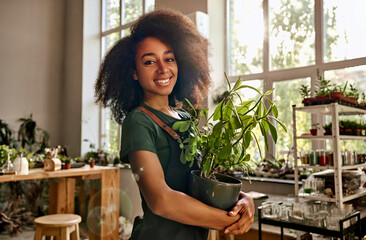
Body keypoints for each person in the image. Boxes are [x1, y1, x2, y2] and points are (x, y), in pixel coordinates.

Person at [95, 8, 254, 240]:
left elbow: (202, 183)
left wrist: (243, 199)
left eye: (169, 58)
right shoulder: (139, 121)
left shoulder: (186, 120)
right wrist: (231, 219)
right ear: (134, 73)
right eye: (149, 61)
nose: (163, 68)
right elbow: (160, 200)